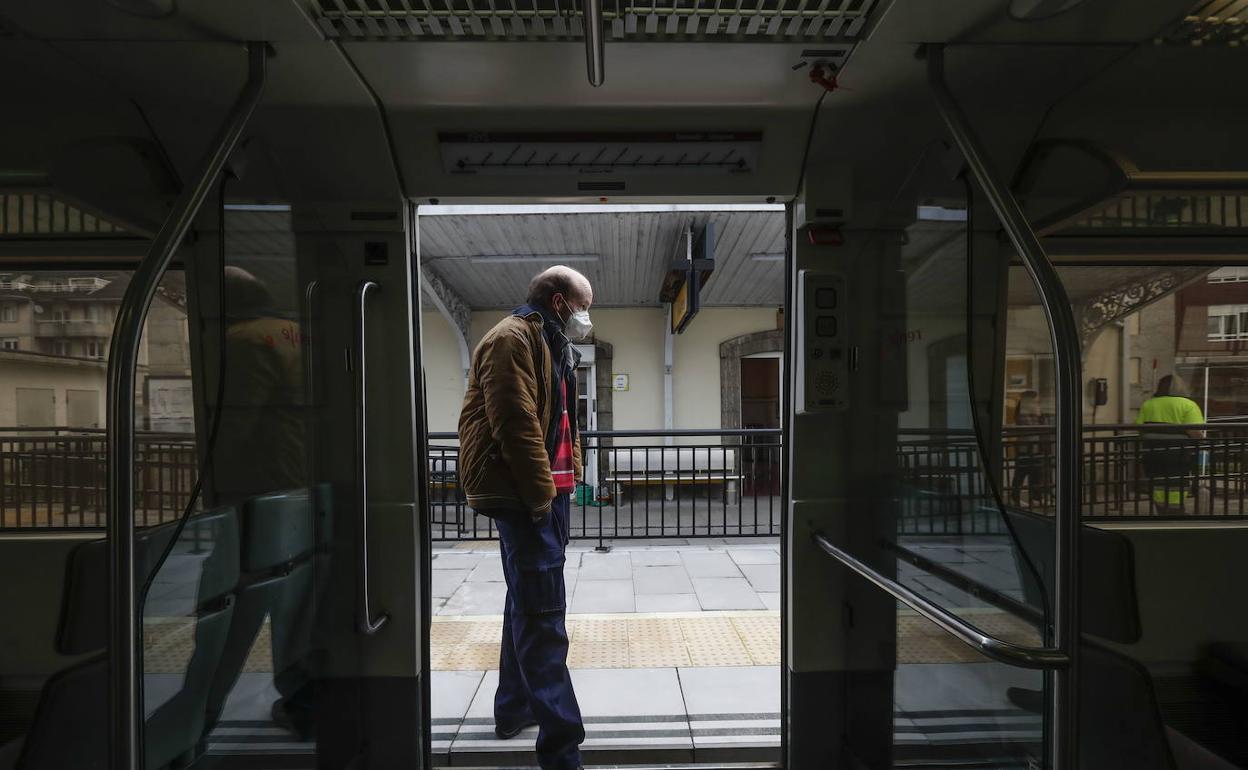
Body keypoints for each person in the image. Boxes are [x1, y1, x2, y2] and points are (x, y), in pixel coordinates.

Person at [457, 265, 591, 770]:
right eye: (583, 305)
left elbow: (563, 419)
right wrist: (541, 499)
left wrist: (569, 480)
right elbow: (514, 425)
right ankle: (561, 751)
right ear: (559, 303)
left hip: (548, 494)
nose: (586, 316)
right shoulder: (510, 339)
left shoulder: (556, 344)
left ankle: (512, 708)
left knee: (527, 602)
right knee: (544, 620)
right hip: (524, 496)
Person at [1136, 374, 1205, 514]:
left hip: (1152, 450)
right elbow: (1194, 431)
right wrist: (1201, 441)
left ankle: (1161, 509)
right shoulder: (1188, 405)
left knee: (1158, 480)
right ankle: (1176, 510)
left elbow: (1140, 428)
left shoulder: (1148, 403)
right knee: (1176, 481)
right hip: (1177, 451)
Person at [1008, 390, 1048, 507]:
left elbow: (1043, 425)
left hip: (1035, 446)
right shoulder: (1023, 411)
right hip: (1025, 447)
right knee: (1021, 473)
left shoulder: (1035, 410)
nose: (1037, 402)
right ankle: (1015, 498)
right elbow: (1029, 427)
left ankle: (1036, 498)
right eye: (1035, 399)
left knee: (1037, 473)